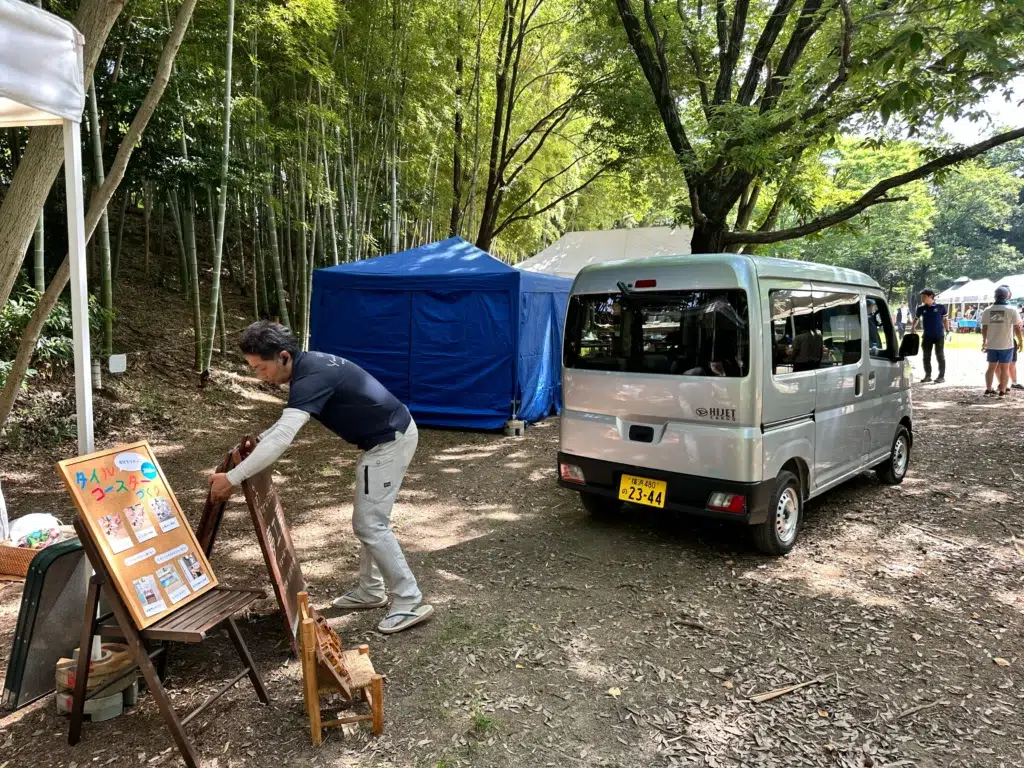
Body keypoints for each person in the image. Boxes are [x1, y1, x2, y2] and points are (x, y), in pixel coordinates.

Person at [207, 321, 433, 634]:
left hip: (390, 441)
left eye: (260, 368)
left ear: (283, 356)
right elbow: (281, 429)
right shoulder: (307, 367)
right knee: (372, 519)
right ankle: (371, 591)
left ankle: (409, 600)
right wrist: (258, 440)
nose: (259, 375)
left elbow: (284, 436)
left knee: (370, 523)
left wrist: (231, 478)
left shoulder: (310, 376)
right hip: (384, 439)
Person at [981, 286, 1024, 398]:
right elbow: (1017, 328)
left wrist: (984, 341)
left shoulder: (987, 310)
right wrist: (1020, 341)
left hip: (992, 344)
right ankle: (1002, 391)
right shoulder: (1011, 310)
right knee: (1005, 368)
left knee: (991, 368)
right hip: (1006, 344)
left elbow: (984, 328)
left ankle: (988, 389)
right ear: (1007, 296)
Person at [910, 289, 949, 383]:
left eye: (924, 297)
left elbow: (945, 319)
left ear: (931, 297)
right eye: (921, 297)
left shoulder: (940, 307)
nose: (922, 299)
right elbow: (916, 319)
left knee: (940, 355)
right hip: (927, 336)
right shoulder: (920, 308)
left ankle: (941, 376)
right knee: (926, 356)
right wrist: (912, 327)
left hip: (939, 335)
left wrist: (947, 330)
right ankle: (928, 375)